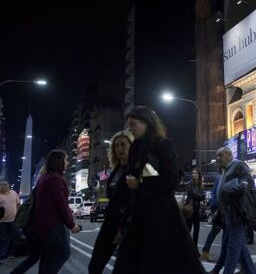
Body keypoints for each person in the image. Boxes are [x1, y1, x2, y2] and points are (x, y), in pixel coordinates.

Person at [113, 106, 205, 274]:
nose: (130, 129)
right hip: (139, 215)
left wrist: (140, 185)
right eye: (129, 125)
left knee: (161, 263)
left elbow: (171, 181)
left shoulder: (163, 145)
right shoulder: (135, 148)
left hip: (161, 215)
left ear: (146, 123)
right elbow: (132, 180)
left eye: (133, 124)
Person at [89, 130, 134, 274]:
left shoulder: (136, 169)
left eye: (123, 145)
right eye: (116, 146)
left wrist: (124, 228)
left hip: (127, 225)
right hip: (109, 223)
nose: (119, 148)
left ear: (131, 146)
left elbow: (137, 200)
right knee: (94, 266)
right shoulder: (115, 170)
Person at [31, 150, 81, 273]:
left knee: (48, 257)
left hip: (42, 225)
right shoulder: (55, 179)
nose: (68, 163)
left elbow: (51, 202)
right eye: (66, 160)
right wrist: (72, 225)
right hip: (53, 224)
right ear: (59, 161)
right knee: (63, 253)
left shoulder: (44, 178)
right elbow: (62, 204)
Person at [209, 147, 256, 274]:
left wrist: (232, 188)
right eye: (217, 155)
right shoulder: (224, 170)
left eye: (220, 155)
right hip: (228, 214)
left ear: (229, 155)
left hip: (238, 212)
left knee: (233, 246)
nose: (217, 158)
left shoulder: (238, 165)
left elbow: (248, 184)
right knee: (238, 245)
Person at [11, 166, 46, 274]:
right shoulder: (45, 185)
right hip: (35, 227)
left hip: (30, 227)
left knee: (35, 256)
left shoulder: (38, 187)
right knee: (45, 256)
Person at [201, 170, 222, 262]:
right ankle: (205, 251)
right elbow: (217, 194)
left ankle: (205, 251)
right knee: (216, 230)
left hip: (219, 208)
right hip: (220, 209)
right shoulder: (221, 178)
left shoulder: (220, 177)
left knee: (217, 231)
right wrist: (216, 209)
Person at [185, 167, 205, 255]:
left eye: (196, 173)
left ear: (199, 175)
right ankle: (186, 248)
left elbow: (202, 196)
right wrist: (199, 196)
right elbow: (195, 195)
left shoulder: (200, 184)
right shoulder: (189, 184)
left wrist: (199, 196)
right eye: (193, 173)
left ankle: (195, 248)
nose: (194, 174)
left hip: (196, 210)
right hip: (190, 210)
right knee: (188, 230)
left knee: (196, 231)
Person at [0, 179, 20, 263]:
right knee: (4, 239)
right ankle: (2, 256)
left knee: (15, 236)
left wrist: (17, 214)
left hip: (13, 221)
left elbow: (18, 204)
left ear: (9, 185)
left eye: (5, 184)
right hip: (1, 222)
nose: (3, 186)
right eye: (1, 185)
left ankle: (10, 254)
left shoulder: (14, 193)